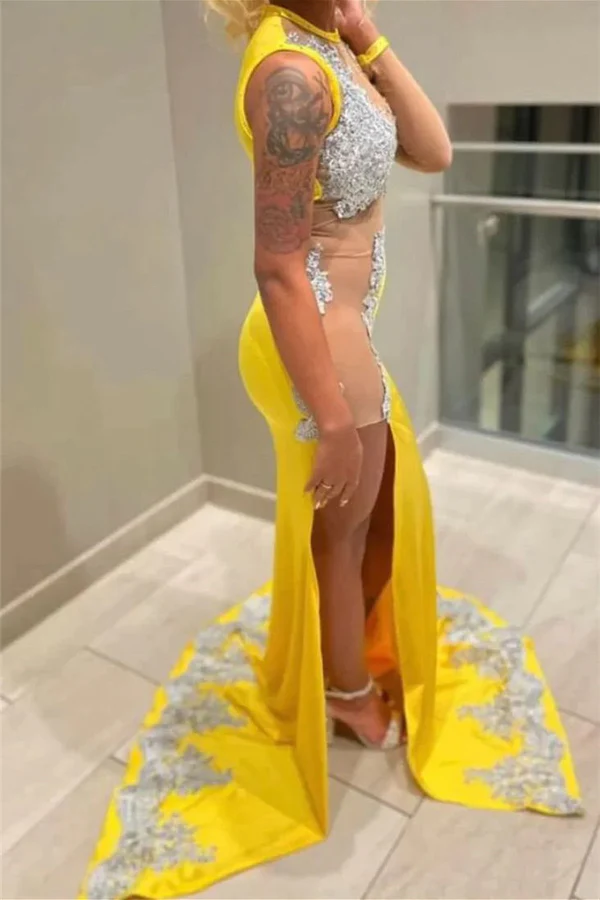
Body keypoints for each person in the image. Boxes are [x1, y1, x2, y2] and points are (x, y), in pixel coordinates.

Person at [80, 2, 581, 898]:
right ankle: (346, 694)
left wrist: (365, 32)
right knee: (343, 538)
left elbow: (434, 151)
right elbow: (277, 267)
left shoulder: (330, 46)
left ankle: (343, 662)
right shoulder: (290, 76)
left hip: (342, 335)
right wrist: (336, 418)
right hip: (317, 342)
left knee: (372, 517)